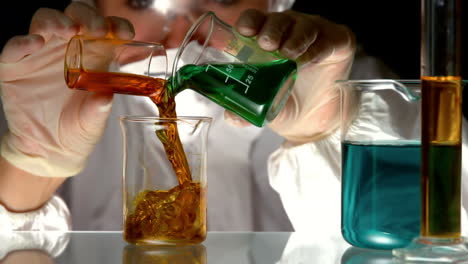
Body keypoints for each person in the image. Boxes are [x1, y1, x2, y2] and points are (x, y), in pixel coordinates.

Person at [0, 0, 396, 232]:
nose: (178, 35)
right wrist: (32, 163)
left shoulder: (345, 89)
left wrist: (320, 135)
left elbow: (443, 233)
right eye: (141, 1)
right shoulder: (42, 95)